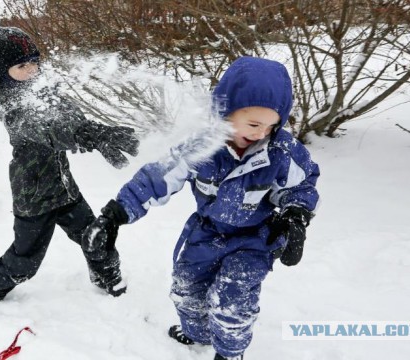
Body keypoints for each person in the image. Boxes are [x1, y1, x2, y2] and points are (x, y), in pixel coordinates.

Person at [82, 57, 320, 360]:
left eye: (271, 125)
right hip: (206, 232)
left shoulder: (281, 152)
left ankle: (230, 353)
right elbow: (158, 178)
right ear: (226, 113)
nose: (262, 133)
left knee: (233, 299)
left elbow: (301, 186)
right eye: (253, 124)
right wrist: (115, 214)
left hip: (255, 239)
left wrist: (295, 216)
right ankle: (198, 334)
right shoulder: (202, 145)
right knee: (186, 288)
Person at [0, 26, 140, 301]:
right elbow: (47, 129)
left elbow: (70, 119)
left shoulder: (43, 90)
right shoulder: (10, 106)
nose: (31, 70)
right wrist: (85, 136)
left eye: (34, 62)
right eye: (21, 65)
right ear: (4, 71)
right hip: (33, 196)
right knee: (26, 261)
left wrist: (96, 134)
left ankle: (107, 276)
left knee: (94, 236)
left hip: (64, 187)